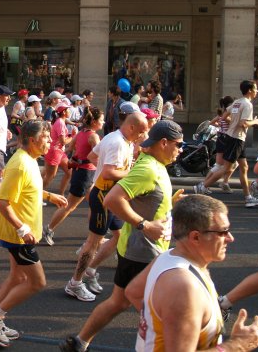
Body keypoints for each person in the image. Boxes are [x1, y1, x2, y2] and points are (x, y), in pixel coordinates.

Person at [60, 120, 183, 352]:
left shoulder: (155, 164)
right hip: (143, 251)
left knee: (119, 302)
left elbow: (142, 198)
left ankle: (80, 341)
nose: (180, 149)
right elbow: (112, 199)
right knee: (161, 309)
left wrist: (170, 203)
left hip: (141, 248)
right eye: (178, 144)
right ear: (164, 143)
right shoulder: (147, 169)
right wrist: (144, 225)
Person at [126, 195, 258, 351]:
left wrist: (170, 326)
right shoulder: (185, 288)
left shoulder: (167, 257)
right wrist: (237, 345)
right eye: (223, 232)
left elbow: (133, 292)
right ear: (196, 237)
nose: (230, 238)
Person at [0, 121, 67, 347]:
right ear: (33, 140)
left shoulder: (28, 161)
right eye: (46, 138)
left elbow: (28, 188)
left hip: (20, 233)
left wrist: (49, 196)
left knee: (17, 277)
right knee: (38, 282)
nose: (49, 141)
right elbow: (1, 201)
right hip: (19, 236)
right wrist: (22, 228)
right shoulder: (20, 164)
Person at [62, 111, 148, 304]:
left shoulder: (116, 137)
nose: (142, 136)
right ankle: (75, 283)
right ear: (132, 127)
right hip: (103, 196)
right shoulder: (117, 143)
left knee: (119, 236)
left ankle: (91, 269)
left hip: (111, 195)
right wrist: (131, 173)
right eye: (141, 131)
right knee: (93, 242)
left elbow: (93, 156)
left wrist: (103, 170)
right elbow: (109, 173)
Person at [195, 80, 258, 207]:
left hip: (235, 138)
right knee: (227, 168)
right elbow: (243, 123)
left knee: (244, 167)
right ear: (249, 90)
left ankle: (248, 198)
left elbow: (224, 116)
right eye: (255, 89)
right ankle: (202, 186)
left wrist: (233, 121)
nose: (257, 91)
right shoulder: (248, 105)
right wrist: (255, 122)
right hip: (236, 138)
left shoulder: (237, 102)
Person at [42, 106, 103, 246]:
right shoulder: (93, 136)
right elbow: (98, 155)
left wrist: (76, 157)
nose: (103, 122)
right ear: (94, 121)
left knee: (95, 204)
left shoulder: (81, 133)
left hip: (84, 173)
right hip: (85, 175)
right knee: (69, 205)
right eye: (102, 120)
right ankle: (49, 228)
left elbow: (70, 149)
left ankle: (95, 236)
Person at [42, 102, 74, 196]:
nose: (69, 111)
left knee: (69, 172)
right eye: (68, 109)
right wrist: (73, 136)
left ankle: (61, 195)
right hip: (54, 152)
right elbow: (63, 141)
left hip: (59, 152)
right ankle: (37, 196)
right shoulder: (60, 122)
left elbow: (62, 139)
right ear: (63, 112)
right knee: (50, 176)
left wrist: (70, 135)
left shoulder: (60, 121)